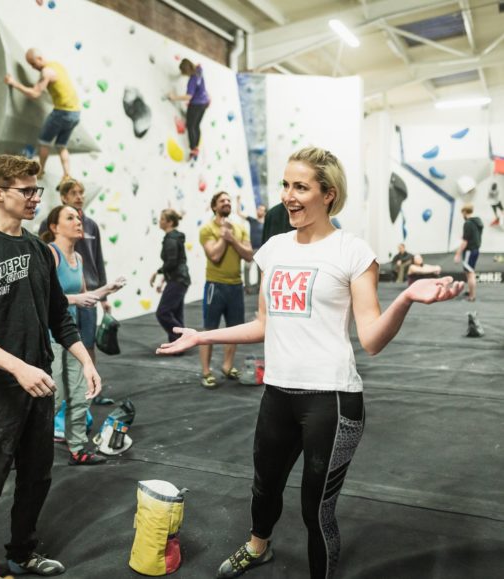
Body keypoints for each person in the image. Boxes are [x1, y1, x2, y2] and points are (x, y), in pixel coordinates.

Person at [157, 146, 463, 579]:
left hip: (332, 401)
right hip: (278, 394)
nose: (289, 195)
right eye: (286, 184)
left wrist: (408, 298)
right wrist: (202, 334)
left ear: (329, 195)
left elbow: (372, 339)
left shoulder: (353, 253)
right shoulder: (274, 250)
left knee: (315, 507)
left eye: (301, 186)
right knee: (264, 489)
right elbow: (264, 323)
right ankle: (257, 547)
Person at [0, 155, 103, 578]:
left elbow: (57, 316)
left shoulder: (36, 249)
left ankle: (22, 552)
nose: (34, 198)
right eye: (25, 190)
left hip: (40, 385)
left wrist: (85, 361)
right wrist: (18, 368)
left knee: (36, 478)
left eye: (36, 190)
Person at [41, 205, 126, 465]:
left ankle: (77, 449)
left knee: (80, 395)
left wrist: (107, 289)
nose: (78, 222)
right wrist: (77, 298)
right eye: (70, 218)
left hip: (71, 336)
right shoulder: (50, 254)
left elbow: (85, 297)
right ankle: (29, 449)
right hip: (51, 339)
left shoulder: (77, 259)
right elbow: (42, 297)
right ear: (54, 227)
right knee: (51, 399)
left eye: (78, 217)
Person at [39, 178, 113, 405]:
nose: (80, 196)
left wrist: (104, 296)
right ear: (64, 197)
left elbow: (98, 260)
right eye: (74, 193)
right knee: (61, 349)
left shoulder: (90, 226)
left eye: (82, 192)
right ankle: (61, 404)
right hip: (66, 297)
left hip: (88, 291)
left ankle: (91, 389)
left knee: (87, 343)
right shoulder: (50, 229)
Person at [198, 192, 253, 388]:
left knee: (234, 330)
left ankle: (227, 366)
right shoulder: (207, 229)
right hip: (215, 285)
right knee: (209, 330)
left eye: (229, 200)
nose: (227, 203)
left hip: (236, 286)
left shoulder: (239, 228)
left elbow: (248, 255)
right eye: (222, 201)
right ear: (214, 206)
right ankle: (206, 372)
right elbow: (213, 255)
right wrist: (223, 238)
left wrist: (232, 238)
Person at [5, 48, 80, 178]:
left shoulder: (46, 72)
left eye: (33, 64)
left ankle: (40, 171)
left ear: (39, 58)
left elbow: (35, 94)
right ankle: (67, 174)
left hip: (62, 112)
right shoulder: (56, 65)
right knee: (61, 145)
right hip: (76, 113)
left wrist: (14, 83)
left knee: (44, 142)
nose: (33, 68)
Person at [150, 209, 191, 344]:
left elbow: (172, 262)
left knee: (163, 312)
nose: (160, 221)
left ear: (169, 222)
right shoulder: (173, 237)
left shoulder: (171, 239)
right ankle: (179, 345)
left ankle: (186, 338)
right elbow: (175, 262)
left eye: (162, 219)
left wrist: (157, 272)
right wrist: (163, 281)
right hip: (179, 279)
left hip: (178, 279)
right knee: (176, 314)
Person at [168, 58, 210, 161]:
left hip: (196, 105)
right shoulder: (199, 70)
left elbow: (188, 97)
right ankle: (197, 148)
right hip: (204, 102)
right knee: (197, 125)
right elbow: (198, 64)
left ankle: (193, 148)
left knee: (191, 125)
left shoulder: (192, 80)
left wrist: (174, 98)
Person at [236, 195, 267, 294]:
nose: (259, 211)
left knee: (260, 270)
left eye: (261, 210)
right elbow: (239, 213)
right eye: (258, 209)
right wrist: (238, 201)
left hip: (262, 250)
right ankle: (247, 287)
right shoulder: (252, 220)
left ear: (264, 212)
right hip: (252, 249)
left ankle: (259, 287)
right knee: (246, 268)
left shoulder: (266, 223)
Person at [454, 203, 483, 302]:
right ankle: (470, 291)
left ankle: (472, 296)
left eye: (462, 213)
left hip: (469, 251)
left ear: (465, 212)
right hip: (475, 250)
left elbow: (465, 242)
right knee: (469, 272)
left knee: (470, 274)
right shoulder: (477, 222)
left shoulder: (468, 223)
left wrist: (457, 254)